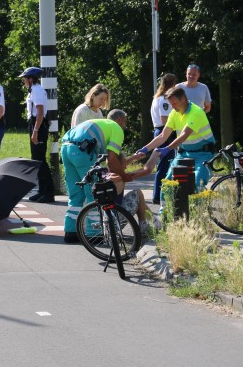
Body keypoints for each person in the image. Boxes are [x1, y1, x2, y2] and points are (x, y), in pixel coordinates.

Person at [61, 110, 154, 243]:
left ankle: (70, 232)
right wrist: (124, 175)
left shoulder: (101, 125)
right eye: (125, 123)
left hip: (66, 148)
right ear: (121, 120)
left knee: (75, 195)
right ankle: (95, 233)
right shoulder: (116, 129)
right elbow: (112, 159)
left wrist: (132, 158)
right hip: (83, 151)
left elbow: (113, 161)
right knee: (93, 194)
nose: (124, 126)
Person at [136, 85, 216, 196]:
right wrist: (145, 149)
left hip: (203, 154)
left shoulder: (196, 112)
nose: (172, 107)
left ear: (183, 99)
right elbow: (163, 136)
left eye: (174, 103)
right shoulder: (174, 113)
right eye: (170, 104)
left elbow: (184, 135)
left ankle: (196, 212)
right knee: (167, 185)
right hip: (184, 153)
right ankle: (164, 212)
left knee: (198, 184)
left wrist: (167, 149)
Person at [19, 66, 55, 203]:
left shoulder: (37, 91)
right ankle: (42, 190)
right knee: (36, 160)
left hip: (38, 126)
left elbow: (40, 112)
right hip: (35, 125)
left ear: (30, 79)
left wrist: (35, 132)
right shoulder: (33, 91)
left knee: (40, 161)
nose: (24, 82)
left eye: (24, 79)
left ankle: (49, 192)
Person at [149, 73, 178, 204]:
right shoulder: (165, 100)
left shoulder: (157, 98)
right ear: (172, 84)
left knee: (165, 164)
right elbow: (165, 119)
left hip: (160, 131)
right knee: (165, 165)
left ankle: (159, 194)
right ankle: (158, 195)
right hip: (165, 132)